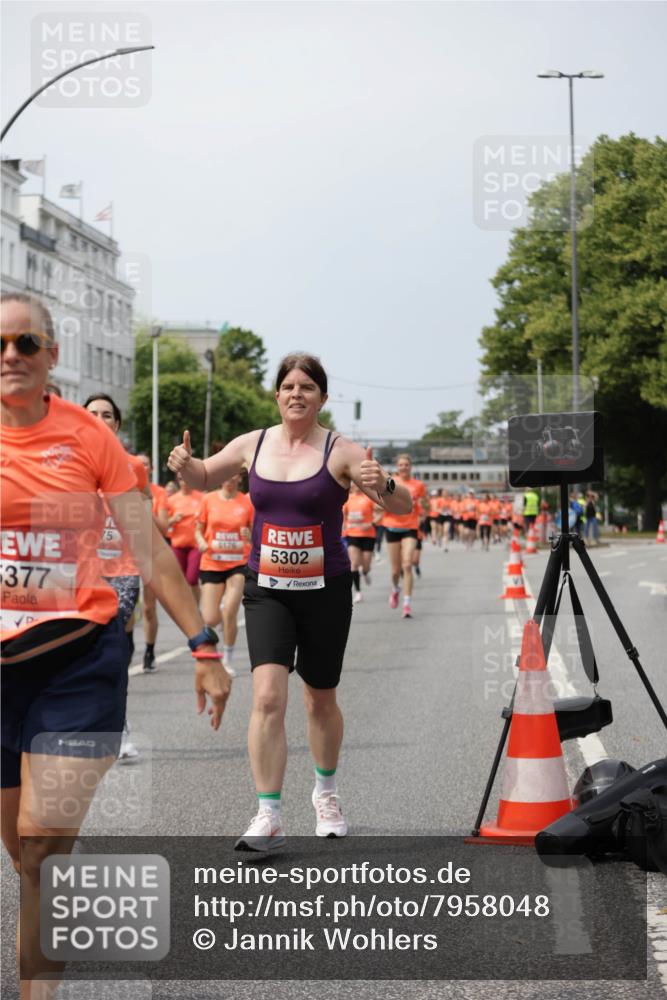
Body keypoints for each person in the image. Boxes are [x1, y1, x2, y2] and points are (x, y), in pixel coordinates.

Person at [1, 293, 230, 998]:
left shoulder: (89, 439)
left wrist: (203, 645)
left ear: (51, 355)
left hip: (79, 660)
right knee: (24, 857)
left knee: (43, 849)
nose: (10, 356)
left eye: (25, 344)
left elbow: (150, 549)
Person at [168, 352, 411, 850]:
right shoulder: (251, 445)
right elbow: (202, 477)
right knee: (267, 698)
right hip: (268, 590)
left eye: (307, 386)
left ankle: (325, 792)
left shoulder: (340, 451)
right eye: (288, 386)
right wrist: (184, 464)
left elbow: (403, 505)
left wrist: (382, 484)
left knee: (319, 697)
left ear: (322, 397)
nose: (296, 393)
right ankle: (268, 812)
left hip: (325, 591)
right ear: (276, 395)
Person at [83, 393, 152, 762]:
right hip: (81, 571)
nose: (99, 419)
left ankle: (118, 726)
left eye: (106, 414)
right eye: (92, 413)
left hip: (123, 571)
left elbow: (143, 517)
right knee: (81, 650)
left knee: (116, 649)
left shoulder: (132, 467)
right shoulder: (68, 463)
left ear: (117, 424)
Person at [195, 472, 253, 675]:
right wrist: (201, 541)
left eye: (233, 476)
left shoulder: (246, 502)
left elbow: (256, 533)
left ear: (238, 478)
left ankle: (227, 660)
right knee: (210, 619)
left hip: (238, 563)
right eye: (227, 476)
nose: (229, 479)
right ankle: (217, 622)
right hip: (212, 562)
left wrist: (250, 535)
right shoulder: (208, 499)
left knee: (230, 611)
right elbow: (198, 529)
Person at [382, 454, 427, 619]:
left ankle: (407, 604)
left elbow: (424, 503)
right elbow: (381, 501)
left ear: (411, 466)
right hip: (392, 526)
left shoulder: (418, 485)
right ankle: (395, 589)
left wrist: (423, 511)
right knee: (395, 571)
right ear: (397, 467)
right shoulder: (390, 481)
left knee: (407, 565)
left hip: (410, 527)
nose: (404, 467)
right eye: (401, 465)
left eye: (406, 465)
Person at [136, 454, 169, 672]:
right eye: (138, 464)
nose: (141, 467)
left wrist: (146, 509)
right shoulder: (120, 488)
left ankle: (149, 651)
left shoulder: (159, 493)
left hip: (150, 552)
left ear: (151, 468)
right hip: (124, 553)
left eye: (145, 464)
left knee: (148, 608)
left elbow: (165, 527)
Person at [342, 481, 381, 602]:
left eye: (357, 484)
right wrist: (344, 529)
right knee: (354, 564)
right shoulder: (347, 499)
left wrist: (371, 523)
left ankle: (365, 572)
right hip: (352, 534)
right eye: (353, 484)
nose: (355, 486)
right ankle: (358, 592)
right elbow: (343, 517)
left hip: (368, 535)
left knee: (366, 565)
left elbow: (381, 512)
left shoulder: (369, 498)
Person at [167, 474, 203, 598]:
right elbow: (162, 524)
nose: (184, 482)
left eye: (186, 478)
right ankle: (187, 612)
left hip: (195, 545)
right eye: (181, 479)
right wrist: (172, 519)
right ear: (178, 481)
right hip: (178, 544)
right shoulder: (171, 500)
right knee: (180, 581)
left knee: (192, 579)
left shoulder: (202, 498)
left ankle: (196, 608)